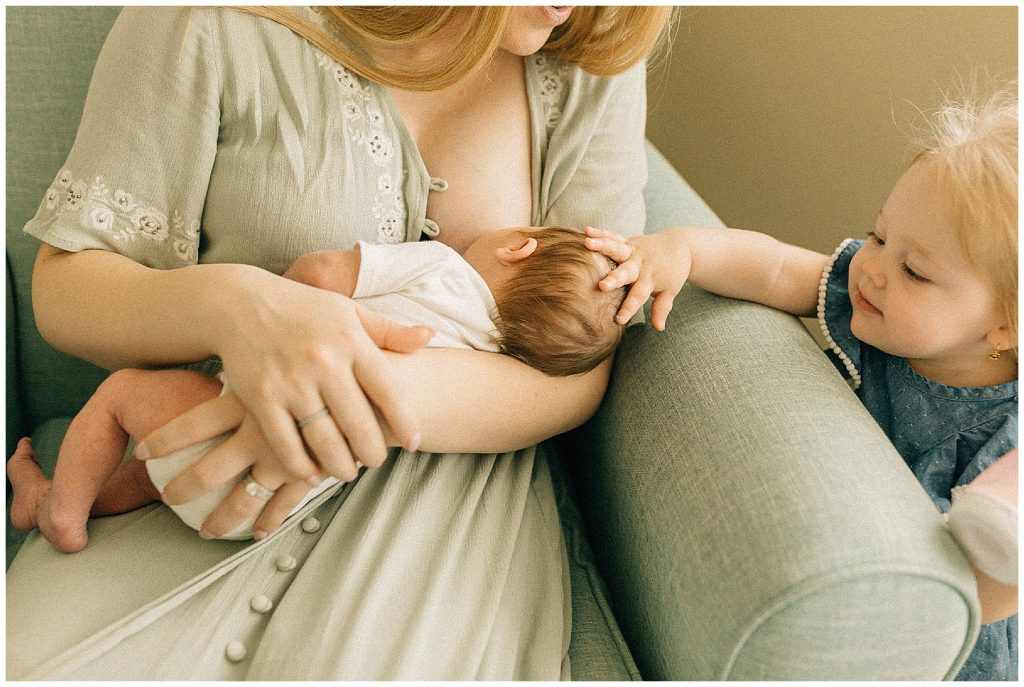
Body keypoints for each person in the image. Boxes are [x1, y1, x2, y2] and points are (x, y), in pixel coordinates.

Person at [6, 6, 673, 680]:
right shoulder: (205, 22)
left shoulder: (586, 55)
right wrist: (241, 307)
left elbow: (586, 362)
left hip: (442, 536)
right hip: (208, 472)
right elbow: (66, 289)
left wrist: (360, 389)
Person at [584, 90, 1018, 680]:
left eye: (914, 271)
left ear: (1005, 325)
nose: (875, 268)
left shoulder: (1006, 433)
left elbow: (997, 586)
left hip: (941, 644)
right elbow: (774, 267)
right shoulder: (871, 299)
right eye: (879, 234)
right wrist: (682, 249)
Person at [8, 226, 626, 547]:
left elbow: (322, 272)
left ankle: (63, 512)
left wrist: (287, 298)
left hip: (242, 421)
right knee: (152, 469)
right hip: (286, 492)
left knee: (121, 395)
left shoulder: (445, 268)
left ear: (519, 248)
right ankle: (60, 498)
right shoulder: (490, 352)